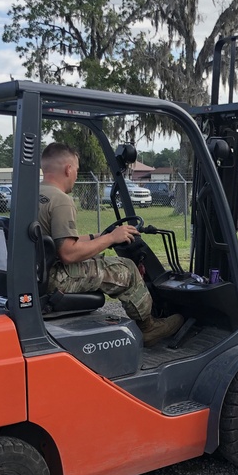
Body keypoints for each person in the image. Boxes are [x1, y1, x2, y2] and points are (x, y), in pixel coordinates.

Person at [38, 142, 184, 348]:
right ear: (68, 169)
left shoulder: (35, 195)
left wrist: (100, 236)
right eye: (76, 170)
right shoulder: (61, 200)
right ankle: (148, 327)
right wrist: (110, 239)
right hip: (57, 279)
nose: (76, 176)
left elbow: (59, 242)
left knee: (97, 259)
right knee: (127, 269)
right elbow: (68, 254)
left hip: (40, 274)